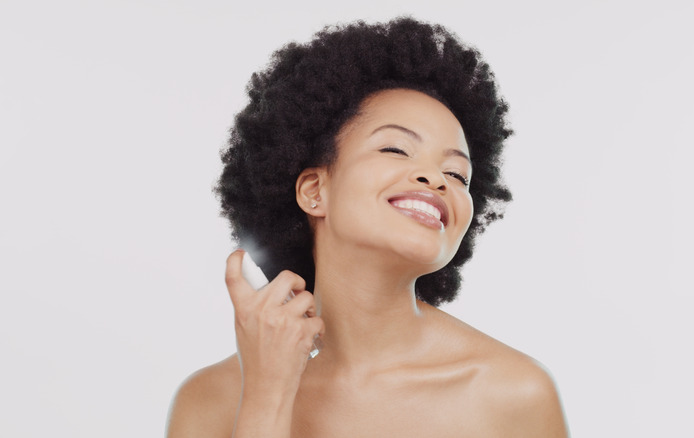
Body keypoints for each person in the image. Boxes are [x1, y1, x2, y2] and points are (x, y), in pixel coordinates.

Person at [166, 17, 568, 438]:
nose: (435, 179)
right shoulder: (209, 400)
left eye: (457, 174)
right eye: (396, 148)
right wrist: (267, 397)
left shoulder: (514, 394)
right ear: (314, 190)